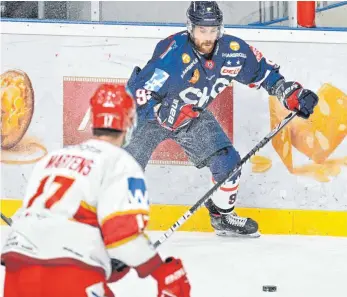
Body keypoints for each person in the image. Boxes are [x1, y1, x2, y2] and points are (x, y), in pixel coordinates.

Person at [126, 1, 319, 237]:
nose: (208, 37)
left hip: (191, 116)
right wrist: (160, 111)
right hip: (151, 117)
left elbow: (265, 74)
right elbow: (138, 91)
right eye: (201, 30)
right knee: (126, 166)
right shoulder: (173, 52)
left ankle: (222, 216)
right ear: (190, 28)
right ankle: (108, 220)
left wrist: (290, 93)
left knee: (227, 162)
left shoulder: (232, 51)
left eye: (213, 30)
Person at [1, 84, 191, 297]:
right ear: (129, 122)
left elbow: (30, 216)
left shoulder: (50, 159)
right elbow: (123, 237)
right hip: (71, 271)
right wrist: (160, 270)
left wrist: (102, 258)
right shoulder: (121, 163)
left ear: (94, 120)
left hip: (16, 269)